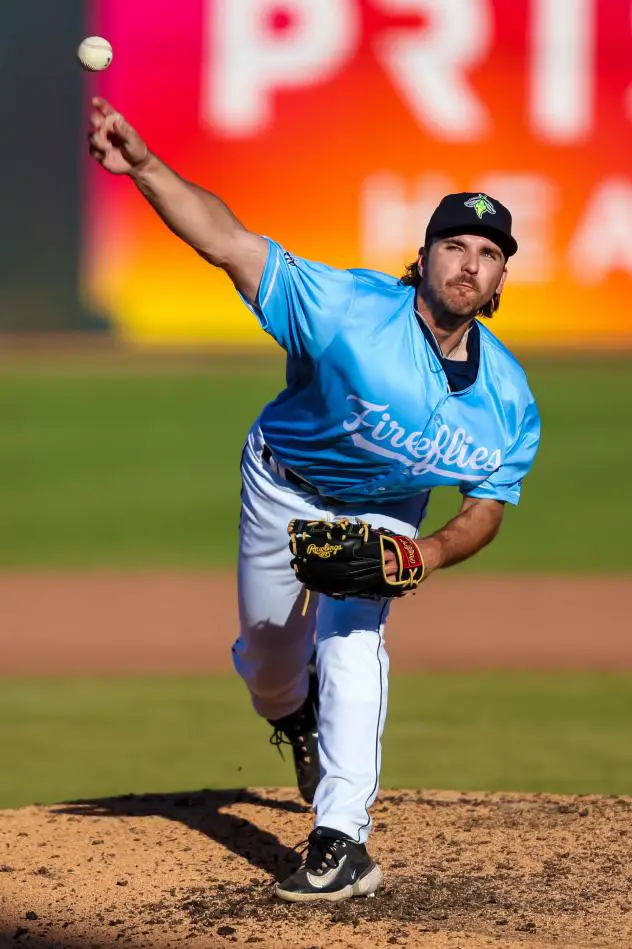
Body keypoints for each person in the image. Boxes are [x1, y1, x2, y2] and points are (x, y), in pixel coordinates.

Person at [88, 97, 541, 904]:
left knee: (352, 640)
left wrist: (424, 552)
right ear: (424, 255)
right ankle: (293, 715)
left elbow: (488, 505)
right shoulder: (347, 313)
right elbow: (226, 242)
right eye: (454, 245)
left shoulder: (508, 398)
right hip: (282, 483)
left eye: (488, 252)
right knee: (268, 660)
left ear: (504, 274)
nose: (469, 263)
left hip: (385, 511)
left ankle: (341, 840)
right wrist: (148, 168)